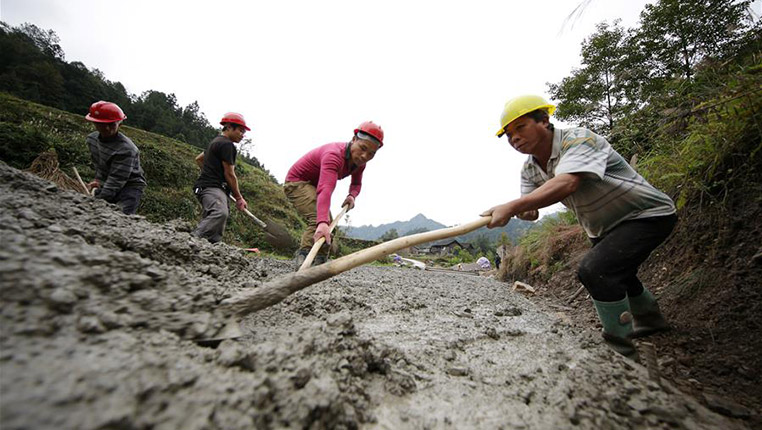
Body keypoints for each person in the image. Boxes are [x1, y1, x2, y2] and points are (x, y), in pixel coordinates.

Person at [481, 95, 677, 359]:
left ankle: (621, 351)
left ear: (544, 121)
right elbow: (531, 212)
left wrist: (512, 206)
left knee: (596, 270)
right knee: (620, 273)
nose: (514, 138)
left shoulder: (579, 139)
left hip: (646, 214)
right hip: (603, 229)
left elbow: (568, 182)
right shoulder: (529, 169)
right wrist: (514, 212)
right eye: (508, 134)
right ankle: (650, 320)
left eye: (520, 127)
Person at [284, 121, 384, 267]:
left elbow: (356, 184)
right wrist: (322, 222)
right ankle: (304, 259)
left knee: (329, 225)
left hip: (314, 185)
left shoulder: (360, 163)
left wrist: (352, 195)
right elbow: (325, 189)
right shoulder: (334, 155)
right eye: (363, 148)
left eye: (371, 154)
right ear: (354, 139)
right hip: (297, 183)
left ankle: (320, 263)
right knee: (317, 219)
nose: (364, 156)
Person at [192, 112, 250, 243]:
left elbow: (199, 159)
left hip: (210, 186)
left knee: (216, 222)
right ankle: (190, 241)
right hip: (211, 187)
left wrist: (210, 172)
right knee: (220, 213)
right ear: (229, 127)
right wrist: (239, 198)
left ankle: (212, 249)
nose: (242, 135)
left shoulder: (215, 142)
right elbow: (230, 174)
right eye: (240, 131)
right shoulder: (226, 145)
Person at [84, 101, 147, 215]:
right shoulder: (92, 140)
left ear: (119, 124)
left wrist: (99, 199)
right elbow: (99, 165)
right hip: (110, 181)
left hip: (130, 187)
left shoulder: (126, 149)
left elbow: (116, 179)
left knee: (120, 216)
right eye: (102, 124)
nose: (107, 128)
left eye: (112, 124)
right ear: (94, 122)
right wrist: (98, 181)